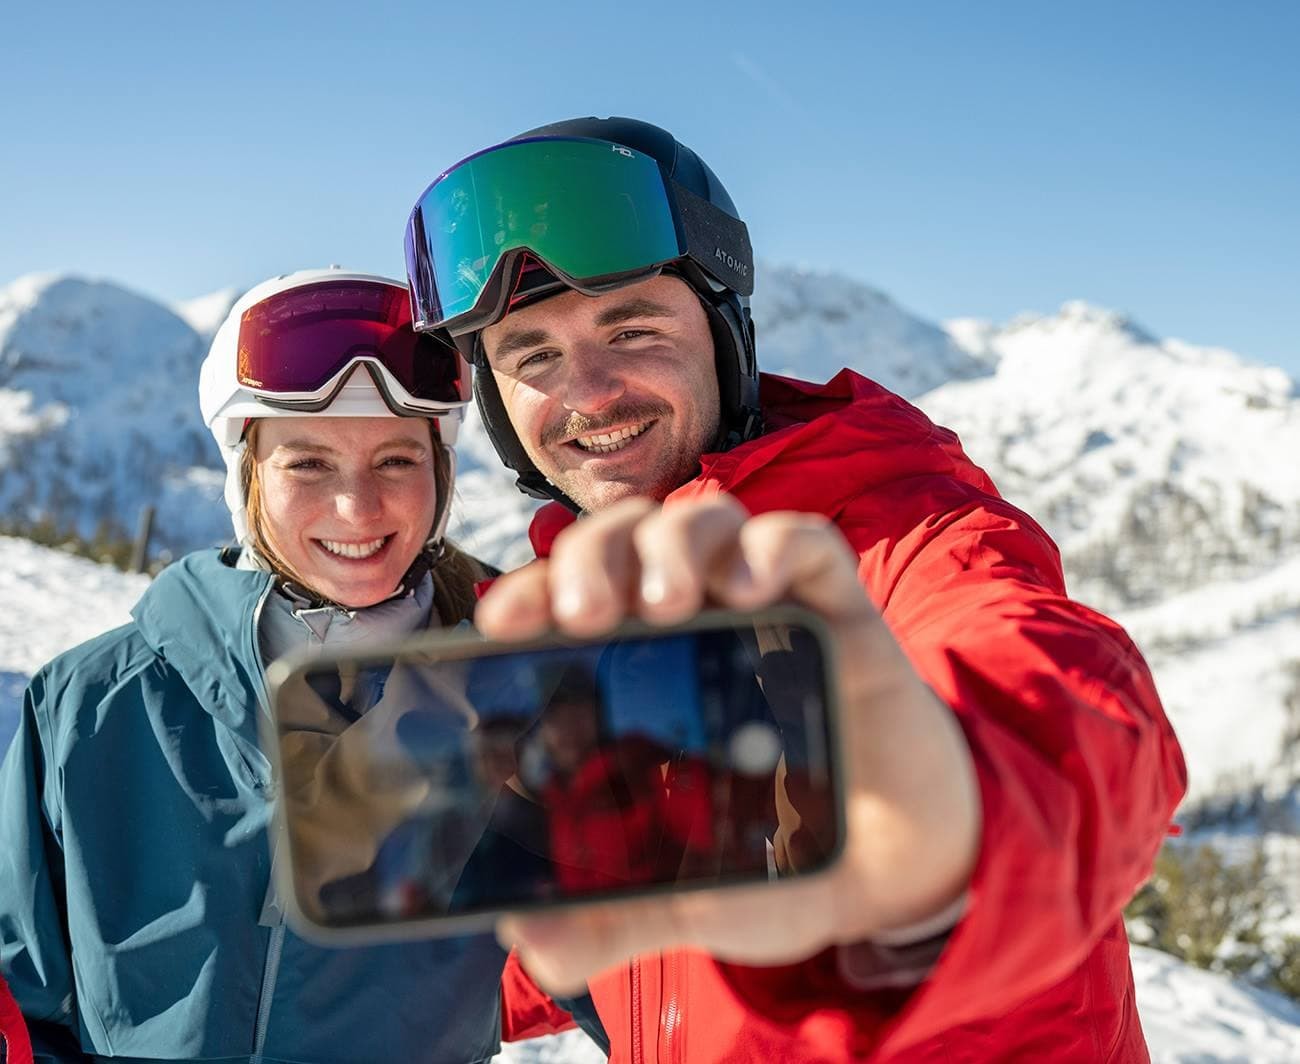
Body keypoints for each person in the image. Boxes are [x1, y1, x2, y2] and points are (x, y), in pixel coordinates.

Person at [404, 117, 1189, 1061]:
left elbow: (1057, 693)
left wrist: (956, 829)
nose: (592, 392)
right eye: (533, 356)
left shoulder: (905, 538)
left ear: (724, 337)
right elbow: (593, 930)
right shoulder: (581, 620)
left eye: (633, 328)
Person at [0, 269, 562, 1062]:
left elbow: (634, 975)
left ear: (441, 474)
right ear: (247, 478)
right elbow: (20, 998)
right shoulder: (91, 705)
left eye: (396, 461)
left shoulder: (517, 696)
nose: (357, 508)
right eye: (308, 464)